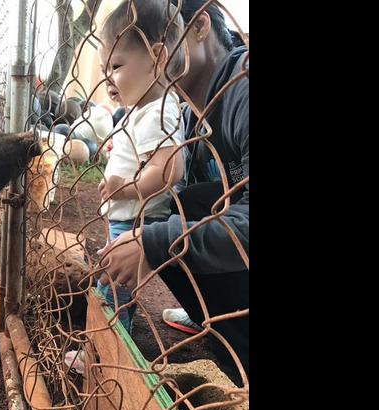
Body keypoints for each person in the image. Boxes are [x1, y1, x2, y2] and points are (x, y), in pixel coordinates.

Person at [96, 0, 249, 386]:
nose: (155, 52)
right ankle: (213, 322)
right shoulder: (183, 113)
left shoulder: (243, 91)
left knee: (167, 224)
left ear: (198, 27)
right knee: (179, 206)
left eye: (163, 32)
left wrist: (156, 241)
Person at [65, 0, 186, 372]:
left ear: (157, 57)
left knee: (114, 290)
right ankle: (106, 348)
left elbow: (170, 170)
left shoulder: (160, 110)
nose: (107, 79)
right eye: (104, 69)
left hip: (138, 219)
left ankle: (105, 356)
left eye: (116, 66)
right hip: (127, 218)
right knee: (113, 283)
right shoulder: (141, 110)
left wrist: (127, 188)